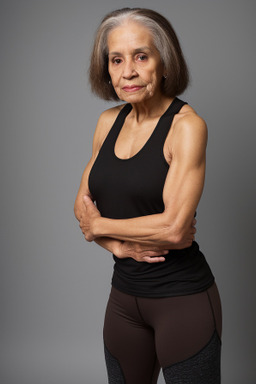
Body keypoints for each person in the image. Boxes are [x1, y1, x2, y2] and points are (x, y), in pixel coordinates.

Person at [74, 7, 222, 384]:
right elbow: (81, 208)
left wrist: (100, 227)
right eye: (116, 59)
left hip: (182, 301)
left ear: (164, 62)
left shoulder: (187, 127)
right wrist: (120, 247)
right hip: (122, 300)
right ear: (105, 68)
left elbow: (173, 229)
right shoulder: (107, 123)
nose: (129, 72)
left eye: (141, 56)